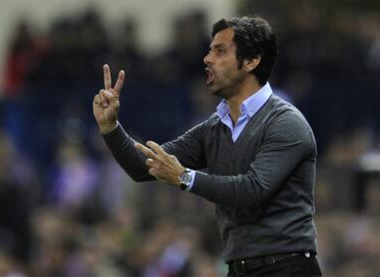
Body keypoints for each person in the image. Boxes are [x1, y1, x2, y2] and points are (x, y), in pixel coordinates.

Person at [92, 16, 322, 277]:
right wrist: (111, 128)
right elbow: (143, 168)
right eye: (210, 50)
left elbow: (253, 190)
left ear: (251, 61)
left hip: (287, 268)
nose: (207, 59)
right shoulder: (214, 128)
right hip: (238, 269)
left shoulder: (286, 123)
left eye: (220, 51)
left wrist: (184, 177)